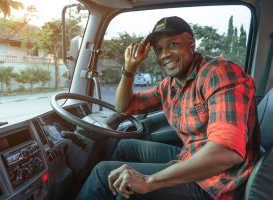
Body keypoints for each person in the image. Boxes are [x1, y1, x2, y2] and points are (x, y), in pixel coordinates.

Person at [76, 16, 260, 200]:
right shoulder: (170, 85)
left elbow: (226, 153)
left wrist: (149, 181)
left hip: (216, 183)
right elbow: (125, 106)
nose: (164, 54)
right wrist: (129, 69)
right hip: (188, 156)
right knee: (124, 147)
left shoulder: (219, 73)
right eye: (159, 49)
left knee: (102, 174)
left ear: (191, 44)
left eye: (172, 44)